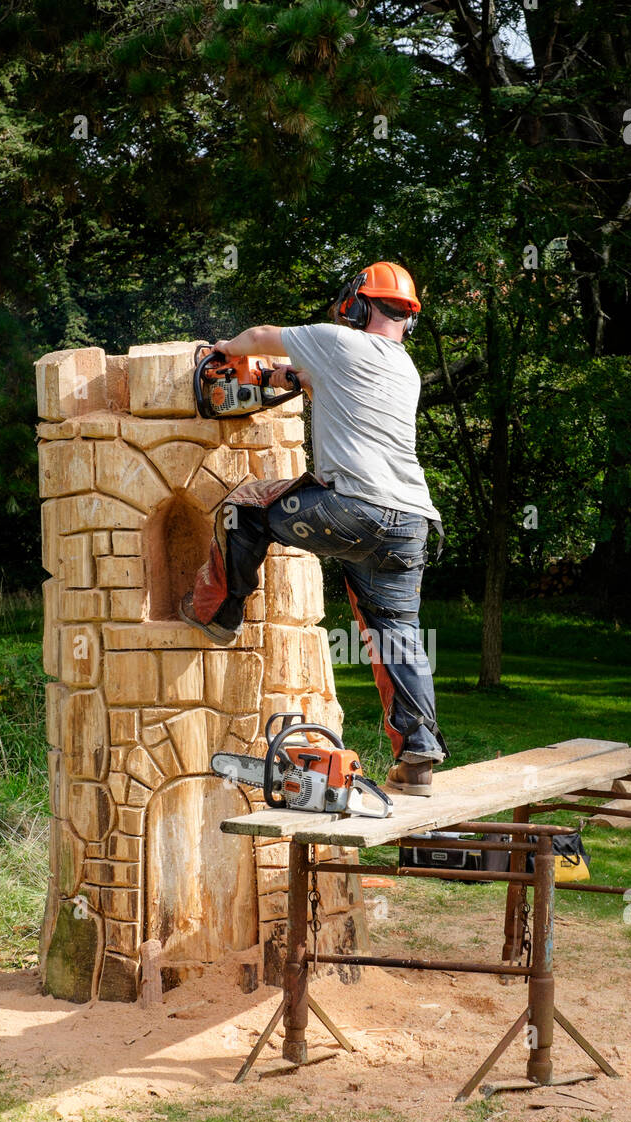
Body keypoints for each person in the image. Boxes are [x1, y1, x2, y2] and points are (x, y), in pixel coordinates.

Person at [180, 261, 447, 796]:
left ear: (359, 304)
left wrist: (223, 351)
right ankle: (418, 757)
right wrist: (280, 378)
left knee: (245, 508)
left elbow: (258, 337)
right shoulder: (404, 369)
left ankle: (218, 613)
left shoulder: (336, 342)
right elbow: (313, 379)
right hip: (411, 524)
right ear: (408, 318)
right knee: (396, 633)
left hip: (353, 510)